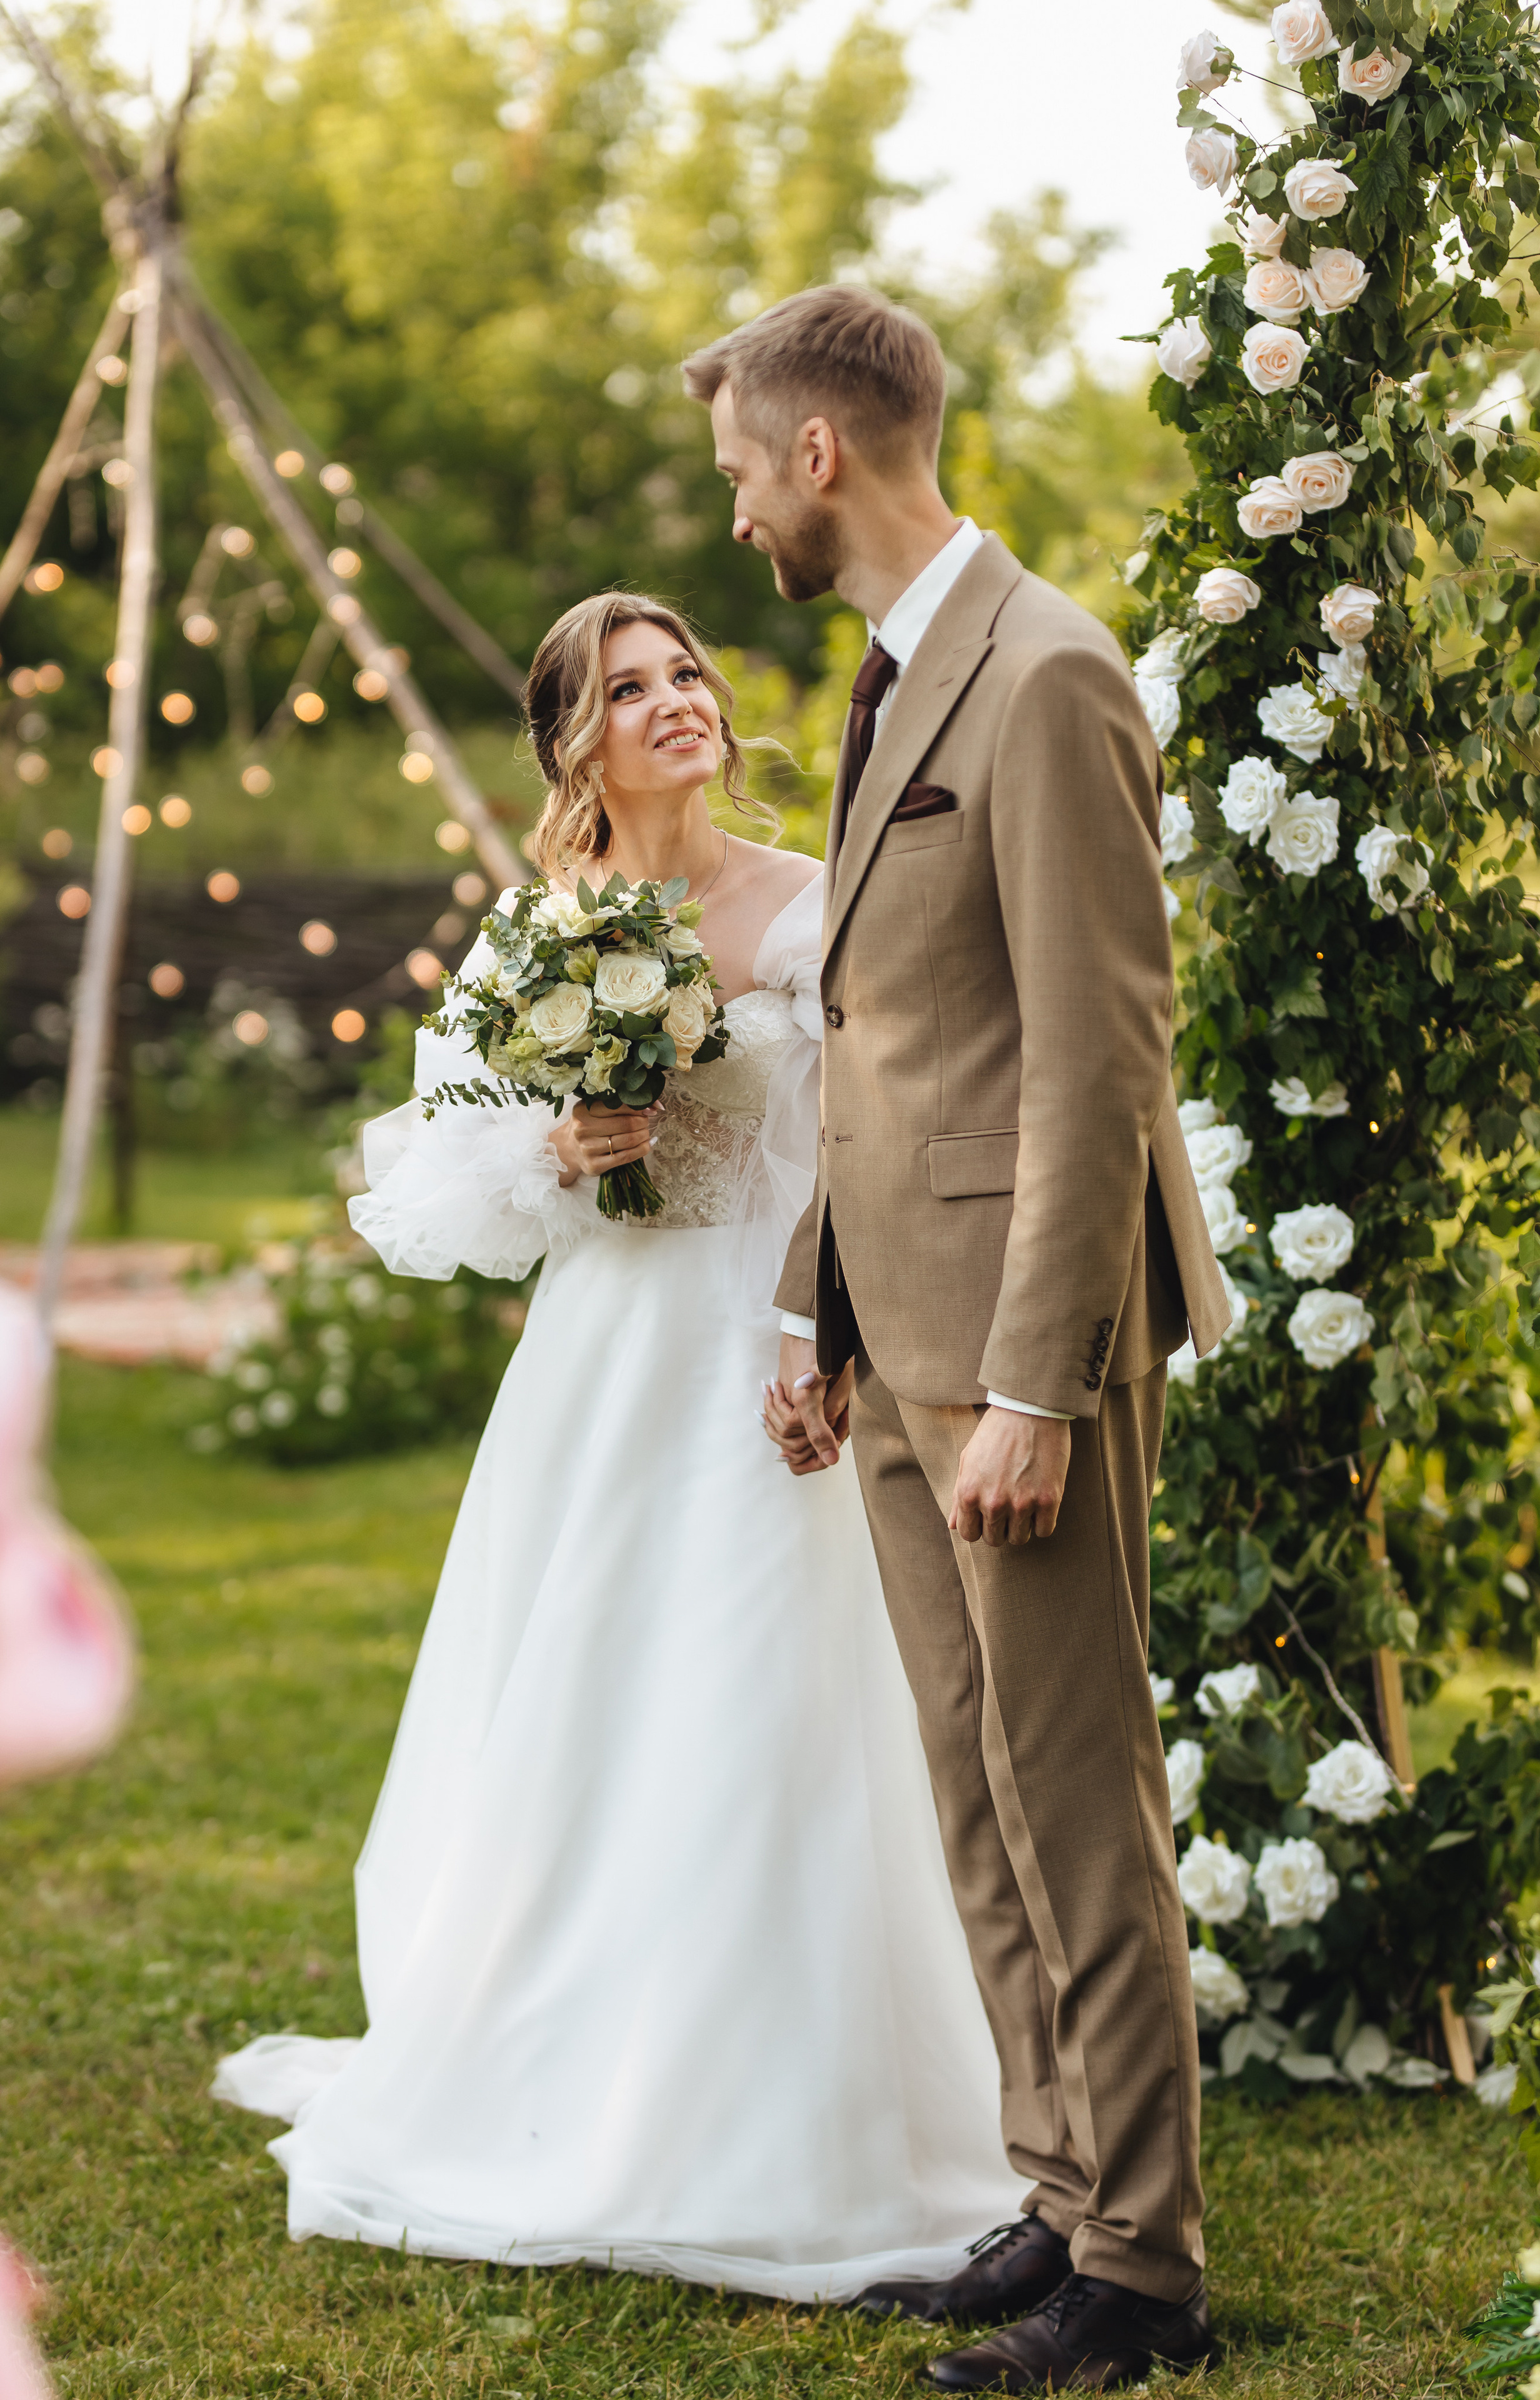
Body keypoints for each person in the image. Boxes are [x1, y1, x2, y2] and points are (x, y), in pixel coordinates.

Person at [212, 591, 1026, 2298]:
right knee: (601, 1704)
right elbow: (441, 1184)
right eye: (631, 687)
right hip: (614, 1362)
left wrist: (838, 1333)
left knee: (786, 1709)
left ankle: (816, 2106)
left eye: (690, 676)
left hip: (792, 1347)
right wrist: (567, 1150)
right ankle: (582, 2074)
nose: (678, 704)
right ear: (575, 738)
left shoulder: (818, 904)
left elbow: (880, 1136)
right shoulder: (541, 936)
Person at [683, 287, 1231, 2393]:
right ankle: (1061, 2192)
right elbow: (889, 1040)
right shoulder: (895, 674)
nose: (736, 512)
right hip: (889, 1326)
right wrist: (817, 1305)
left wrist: (1037, 1385)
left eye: (742, 465)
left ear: (821, 451)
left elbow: (1097, 1060)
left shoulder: (1051, 673)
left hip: (1020, 1351)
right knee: (974, 1784)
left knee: (1074, 1788)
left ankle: (1148, 2281)